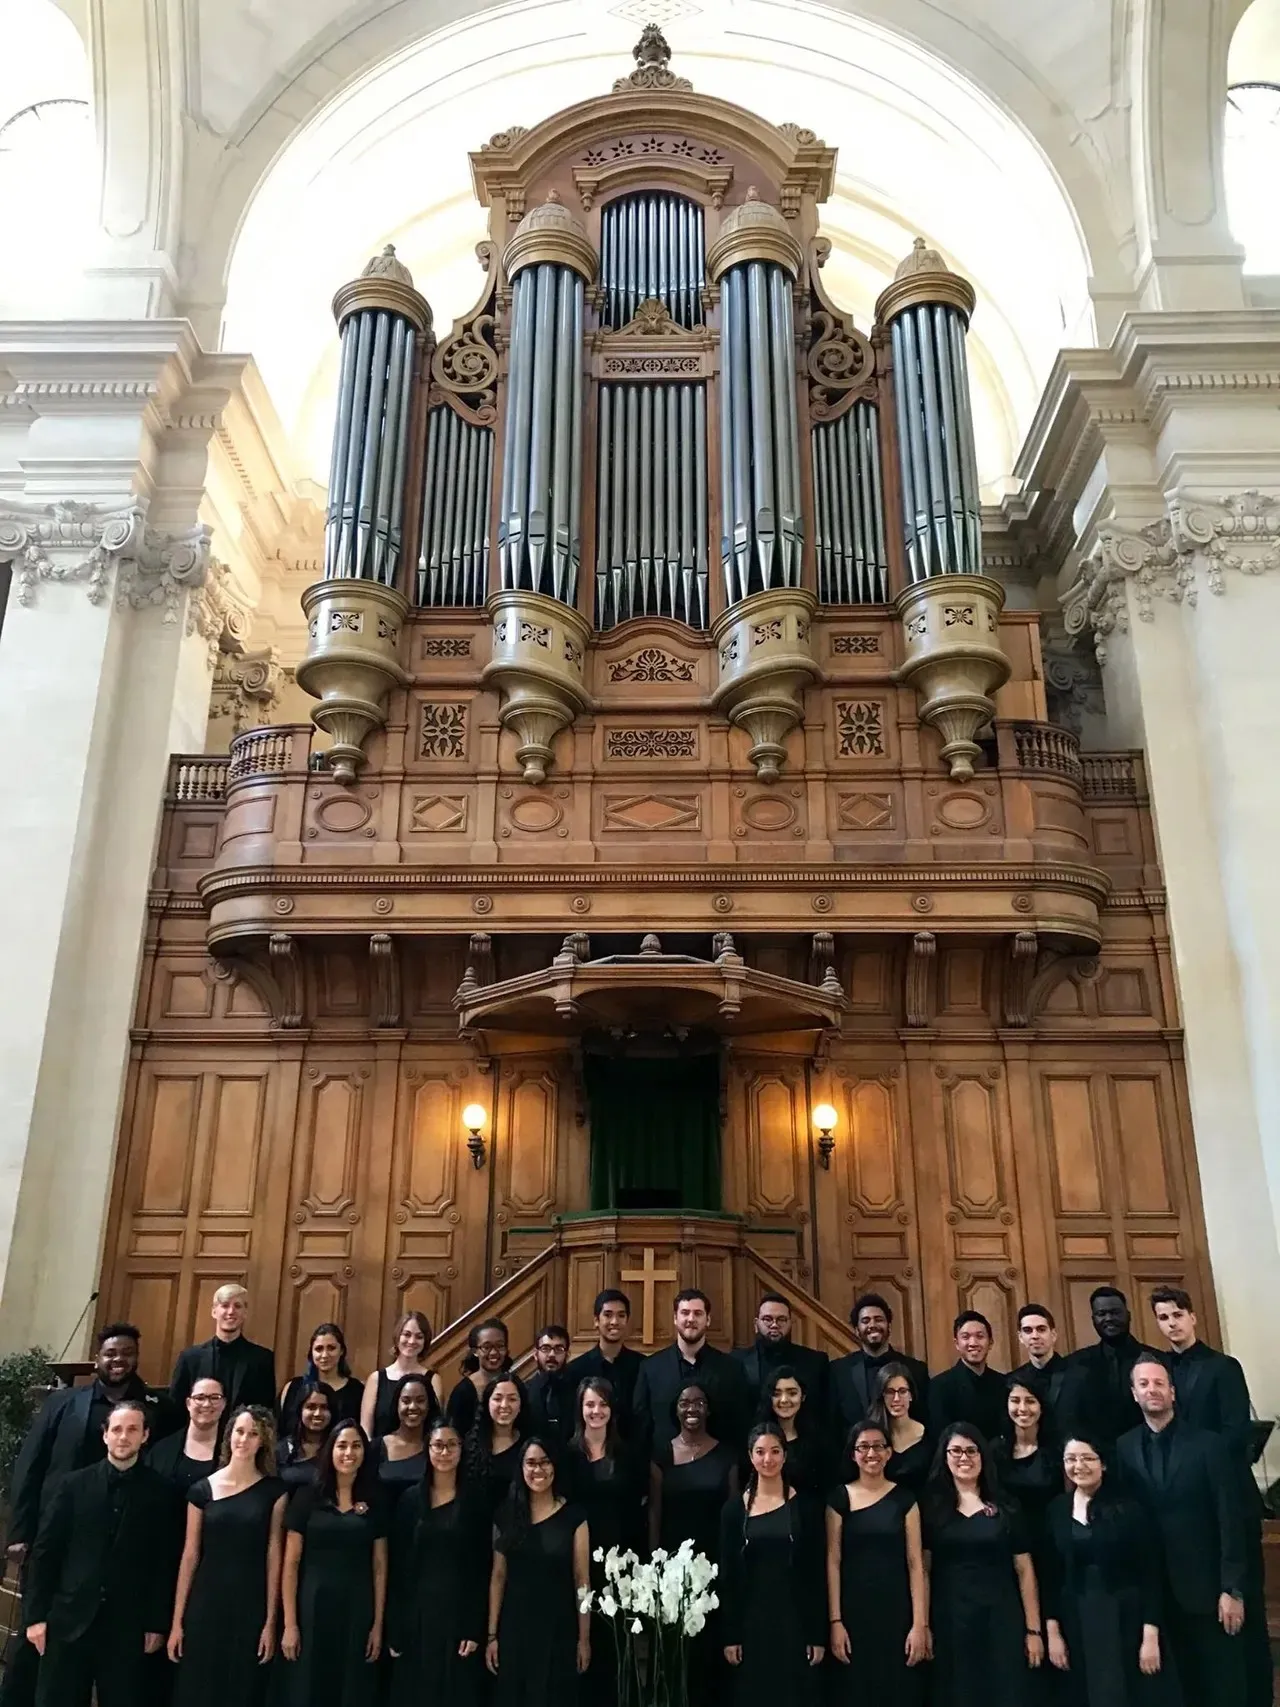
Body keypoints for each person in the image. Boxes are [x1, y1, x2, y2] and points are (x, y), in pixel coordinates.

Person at [5, 1323, 165, 1707]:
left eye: (126, 1353)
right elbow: (31, 1466)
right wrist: (20, 1530)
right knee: (39, 1654)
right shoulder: (63, 1404)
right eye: (110, 1353)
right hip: (59, 1540)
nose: (118, 1360)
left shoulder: (157, 1408)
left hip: (124, 1550)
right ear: (97, 1358)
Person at [1149, 1284, 1270, 1707]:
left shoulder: (1223, 1366)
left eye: (1177, 1315)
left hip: (1225, 1499)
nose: (1172, 1324)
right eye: (1163, 1318)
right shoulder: (1159, 1370)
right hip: (1183, 1510)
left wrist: (1197, 1458)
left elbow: (1236, 1431)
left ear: (1193, 1316)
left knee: (1242, 1614)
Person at [1116, 1356, 1247, 1707]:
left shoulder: (1208, 1445)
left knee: (1220, 1686)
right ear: (1134, 1394)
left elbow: (1229, 1517)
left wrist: (1231, 1587)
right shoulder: (1123, 1448)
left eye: (1159, 1383)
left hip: (1205, 1590)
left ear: (1172, 1392)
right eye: (1143, 1384)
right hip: (1153, 1593)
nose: (1152, 1389)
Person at [23, 1400, 172, 1707]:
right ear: (105, 1435)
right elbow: (45, 1553)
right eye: (116, 1429)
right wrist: (36, 1618)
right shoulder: (72, 1485)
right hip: (68, 1620)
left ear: (145, 1436)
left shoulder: (162, 1492)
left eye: (132, 1429)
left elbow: (164, 1563)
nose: (123, 1436)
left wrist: (156, 1623)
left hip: (127, 1627)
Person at [1042, 1433, 1178, 1707]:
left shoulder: (1130, 1510)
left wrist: (1150, 1635)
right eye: (1071, 1459)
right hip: (1075, 1617)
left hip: (1124, 1616)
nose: (1078, 1465)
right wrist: (1053, 1632)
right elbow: (1050, 1574)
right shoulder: (1056, 1510)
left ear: (1103, 1463)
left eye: (1087, 1458)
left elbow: (1151, 1574)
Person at [166, 1404, 286, 1707]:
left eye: (253, 1434)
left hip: (250, 1602)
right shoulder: (201, 1490)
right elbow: (190, 1555)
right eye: (239, 1431)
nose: (244, 1440)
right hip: (206, 1602)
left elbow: (275, 1556)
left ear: (263, 1441)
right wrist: (177, 1621)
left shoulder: (275, 1492)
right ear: (229, 1435)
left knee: (242, 1688)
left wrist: (271, 1621)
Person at [922, 1423, 1044, 1705]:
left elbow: (1024, 1570)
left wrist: (1033, 1630)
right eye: (956, 1451)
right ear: (944, 1457)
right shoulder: (931, 1507)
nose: (964, 1458)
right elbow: (924, 1570)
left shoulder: (1007, 1506)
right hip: (950, 1618)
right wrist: (923, 1624)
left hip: (1001, 1618)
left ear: (983, 1456)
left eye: (971, 1451)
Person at [277, 1422, 388, 1707]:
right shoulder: (307, 1497)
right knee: (309, 1684)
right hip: (313, 1605)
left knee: (351, 1685)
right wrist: (289, 1624)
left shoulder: (376, 1499)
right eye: (342, 1445)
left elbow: (379, 1566)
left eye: (356, 1446)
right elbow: (290, 1564)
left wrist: (377, 1624)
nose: (348, 1452)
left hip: (358, 1604)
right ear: (330, 1451)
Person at [718, 1424, 825, 1707]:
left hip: (794, 1620)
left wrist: (816, 1634)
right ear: (750, 1457)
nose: (768, 1459)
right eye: (760, 1452)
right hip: (752, 1622)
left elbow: (815, 1574)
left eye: (775, 1451)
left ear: (785, 1455)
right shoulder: (733, 1511)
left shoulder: (805, 1508)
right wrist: (731, 1635)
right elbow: (728, 1576)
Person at [826, 1419, 929, 1704]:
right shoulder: (839, 1498)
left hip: (898, 1613)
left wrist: (919, 1624)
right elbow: (833, 1561)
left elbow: (915, 1562)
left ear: (889, 1452)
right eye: (864, 1447)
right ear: (853, 1454)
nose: (871, 1453)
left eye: (878, 1447)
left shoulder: (905, 1499)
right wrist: (835, 1621)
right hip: (853, 1613)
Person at [387, 1420, 489, 1707]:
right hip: (416, 1613)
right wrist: (396, 1624)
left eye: (451, 1445)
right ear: (428, 1450)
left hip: (457, 1613)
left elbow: (482, 1567)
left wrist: (473, 1625)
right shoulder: (409, 1500)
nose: (444, 1452)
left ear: (461, 1450)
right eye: (438, 1445)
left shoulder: (475, 1501)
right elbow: (397, 1564)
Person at [485, 1439, 590, 1707]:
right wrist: (492, 1636)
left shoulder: (574, 1517)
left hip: (559, 1630)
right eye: (531, 1463)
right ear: (520, 1468)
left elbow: (582, 1580)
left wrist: (584, 1638)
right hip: (514, 1629)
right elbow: (498, 1577)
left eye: (544, 1462)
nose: (538, 1469)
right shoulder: (505, 1516)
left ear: (555, 1466)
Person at [566, 1377, 645, 1707]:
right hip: (575, 1560)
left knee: (614, 1645)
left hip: (619, 1562)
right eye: (590, 1404)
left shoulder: (627, 1454)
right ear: (580, 1409)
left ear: (612, 1410)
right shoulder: (566, 1454)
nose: (596, 1411)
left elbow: (636, 1509)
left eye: (603, 1404)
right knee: (578, 1646)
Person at [633, 1289, 749, 1451]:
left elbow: (740, 1423)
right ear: (675, 1318)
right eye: (685, 1313)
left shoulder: (731, 1368)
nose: (691, 1319)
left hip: (717, 1466)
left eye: (698, 1313)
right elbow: (641, 1425)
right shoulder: (650, 1368)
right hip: (665, 1468)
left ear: (708, 1320)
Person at [648, 1382, 738, 1559]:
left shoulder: (727, 1456)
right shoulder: (660, 1455)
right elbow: (655, 1513)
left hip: (715, 1555)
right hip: (672, 1559)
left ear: (709, 1410)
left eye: (699, 1403)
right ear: (676, 1410)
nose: (692, 1409)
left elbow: (733, 1514)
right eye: (684, 1403)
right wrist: (654, 1561)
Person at [830, 1293, 929, 1436]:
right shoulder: (838, 1371)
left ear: (889, 1326)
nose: (872, 1325)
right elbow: (832, 1423)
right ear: (857, 1330)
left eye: (879, 1319)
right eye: (865, 1321)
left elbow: (922, 1419)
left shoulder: (916, 1370)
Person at [169, 1285, 276, 1415]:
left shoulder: (262, 1359)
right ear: (214, 1311)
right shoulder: (190, 1358)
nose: (231, 1311)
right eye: (225, 1305)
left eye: (237, 1306)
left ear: (245, 1313)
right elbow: (176, 1408)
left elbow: (265, 1411)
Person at [1069, 1288, 1152, 1452]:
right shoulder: (1075, 1364)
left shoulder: (1156, 1360)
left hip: (1147, 1454)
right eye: (1101, 1314)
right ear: (1093, 1319)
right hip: (1096, 1460)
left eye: (1115, 1312)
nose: (1109, 1319)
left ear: (1128, 1315)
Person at [992, 1372, 1061, 1554]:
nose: (1022, 1408)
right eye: (1015, 1400)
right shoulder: (995, 1450)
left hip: (1050, 1541)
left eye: (1030, 1401)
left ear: (1042, 1406)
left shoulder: (1058, 1450)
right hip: (1007, 1543)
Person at [732, 1295, 829, 1415]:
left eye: (781, 1319)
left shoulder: (815, 1362)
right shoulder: (735, 1361)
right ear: (756, 1324)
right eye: (767, 1319)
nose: (774, 1325)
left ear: (790, 1323)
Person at [565, 1290, 644, 1438]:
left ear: (627, 1320)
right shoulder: (576, 1370)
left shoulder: (643, 1366)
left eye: (621, 1315)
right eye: (608, 1315)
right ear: (596, 1320)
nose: (614, 1322)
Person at [928, 1311, 1008, 1443]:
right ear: (957, 1343)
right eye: (965, 1337)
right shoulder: (940, 1386)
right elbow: (941, 1436)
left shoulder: (1003, 1383)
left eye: (980, 1336)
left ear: (991, 1342)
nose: (973, 1343)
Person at [755, 1365, 831, 1499]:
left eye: (792, 1393)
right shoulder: (757, 1438)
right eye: (777, 1394)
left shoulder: (819, 1441)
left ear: (803, 1396)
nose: (784, 1400)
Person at [361, 1311, 441, 1440]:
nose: (412, 1341)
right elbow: (366, 1431)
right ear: (397, 1336)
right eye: (407, 1335)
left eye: (419, 1336)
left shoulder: (433, 1380)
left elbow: (435, 1427)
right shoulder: (376, 1379)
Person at [279, 1324, 362, 1438]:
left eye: (331, 1348)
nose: (324, 1355)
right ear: (311, 1352)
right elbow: (279, 1429)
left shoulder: (357, 1391)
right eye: (319, 1349)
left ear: (342, 1350)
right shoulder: (293, 1387)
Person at [465, 1374, 528, 1517]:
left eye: (512, 1399)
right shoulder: (469, 1443)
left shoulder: (529, 1444)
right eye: (497, 1398)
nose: (504, 1405)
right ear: (487, 1402)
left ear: (521, 1404)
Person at [869, 1362, 931, 1495]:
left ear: (911, 1395)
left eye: (902, 1391)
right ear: (881, 1396)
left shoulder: (930, 1435)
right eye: (890, 1392)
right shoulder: (872, 1437)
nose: (896, 1399)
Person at [1014, 1304, 1082, 1425]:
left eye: (1041, 1329)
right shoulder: (1013, 1380)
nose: (1035, 1336)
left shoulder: (1080, 1376)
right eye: (1028, 1330)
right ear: (1020, 1337)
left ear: (1053, 1335)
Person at [446, 1319, 512, 1439]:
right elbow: (453, 1435)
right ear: (475, 1351)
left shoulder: (515, 1384)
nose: (493, 1352)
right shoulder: (463, 1392)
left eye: (500, 1346)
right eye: (486, 1347)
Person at [376, 1375, 431, 1512]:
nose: (413, 1407)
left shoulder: (438, 1447)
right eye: (406, 1401)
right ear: (396, 1404)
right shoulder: (376, 1447)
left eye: (420, 1400)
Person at [274, 1382, 335, 1492]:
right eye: (311, 1407)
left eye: (324, 1407)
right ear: (300, 1410)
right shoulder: (281, 1450)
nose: (317, 1413)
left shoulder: (338, 1449)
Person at [524, 1325, 576, 1448]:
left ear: (567, 1355)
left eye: (559, 1349)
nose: (552, 1355)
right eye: (545, 1348)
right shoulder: (523, 1391)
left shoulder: (578, 1390)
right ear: (535, 1354)